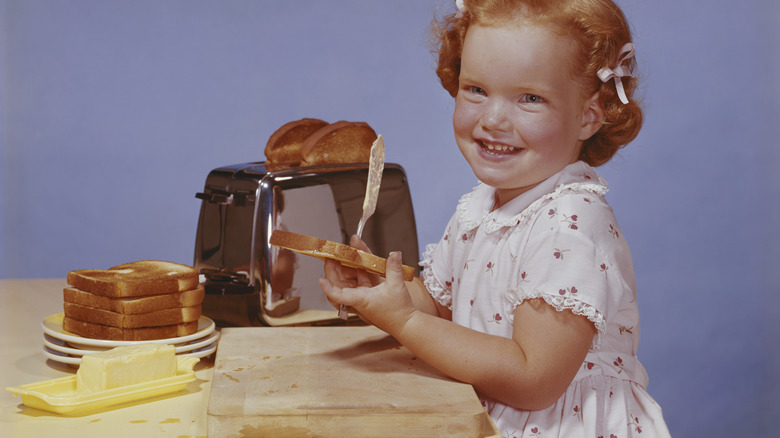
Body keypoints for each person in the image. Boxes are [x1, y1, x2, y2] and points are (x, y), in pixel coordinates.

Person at [318, 0, 671, 436]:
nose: (493, 119)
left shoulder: (570, 222)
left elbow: (533, 378)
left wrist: (405, 322)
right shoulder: (482, 206)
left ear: (588, 116)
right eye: (477, 90)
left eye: (530, 98)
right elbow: (442, 311)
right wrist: (384, 290)